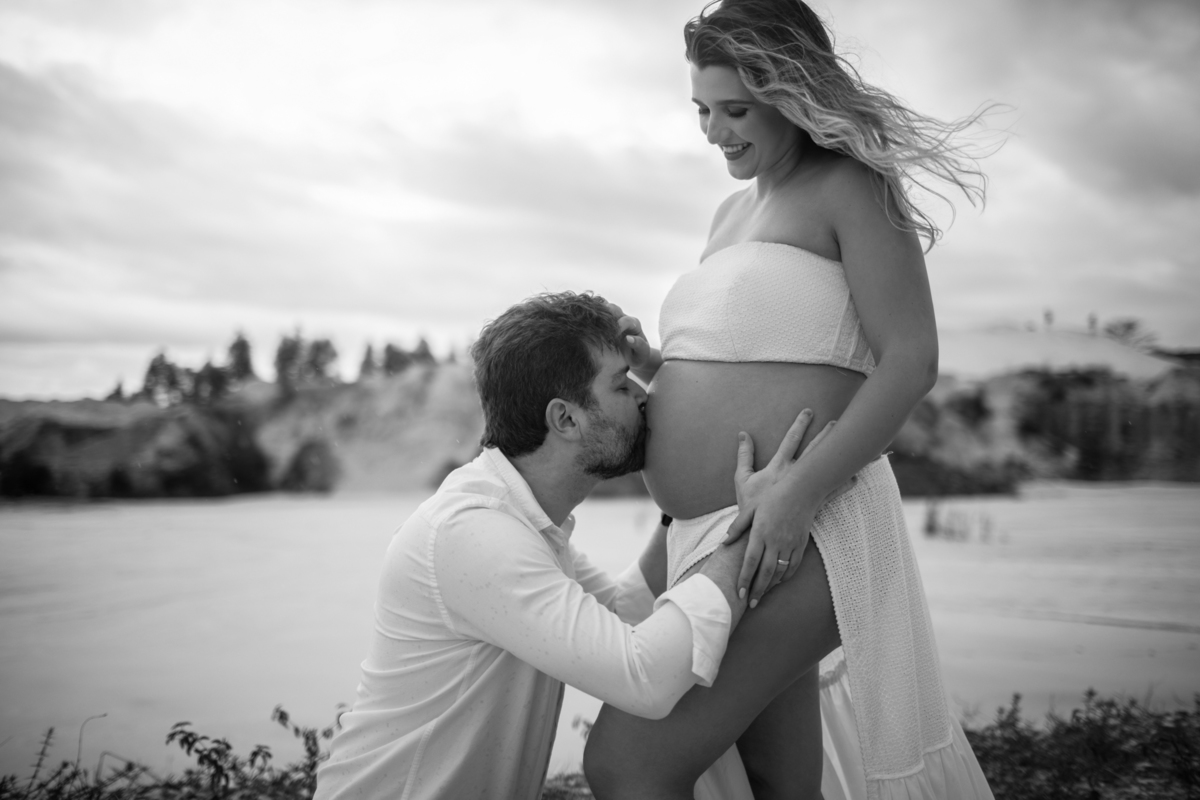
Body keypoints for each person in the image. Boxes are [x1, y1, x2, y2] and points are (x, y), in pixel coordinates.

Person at [583, 1, 995, 798]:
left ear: (792, 92)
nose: (713, 131)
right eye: (702, 110)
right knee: (776, 781)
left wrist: (798, 495)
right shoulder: (728, 214)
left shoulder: (851, 186)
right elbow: (769, 356)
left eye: (734, 110)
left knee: (626, 763)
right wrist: (661, 365)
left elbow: (910, 361)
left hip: (804, 529)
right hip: (708, 534)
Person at [313, 291, 838, 800]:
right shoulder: (475, 535)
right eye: (620, 385)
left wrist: (696, 498)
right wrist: (755, 521)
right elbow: (645, 677)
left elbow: (626, 611)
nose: (642, 396)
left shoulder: (523, 520)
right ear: (565, 419)